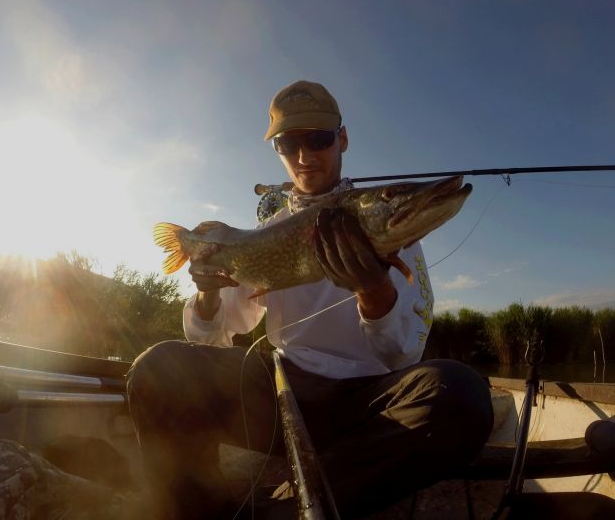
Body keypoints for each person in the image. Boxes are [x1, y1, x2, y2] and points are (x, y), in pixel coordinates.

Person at [127, 81, 494, 519]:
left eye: (319, 139)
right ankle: (199, 510)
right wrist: (207, 296)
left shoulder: (400, 239)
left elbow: (404, 353)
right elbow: (213, 337)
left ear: (342, 139)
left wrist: (374, 291)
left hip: (369, 410)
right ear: (279, 150)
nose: (305, 156)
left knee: (462, 396)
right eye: (289, 143)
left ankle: (281, 511)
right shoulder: (265, 236)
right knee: (157, 369)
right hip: (281, 397)